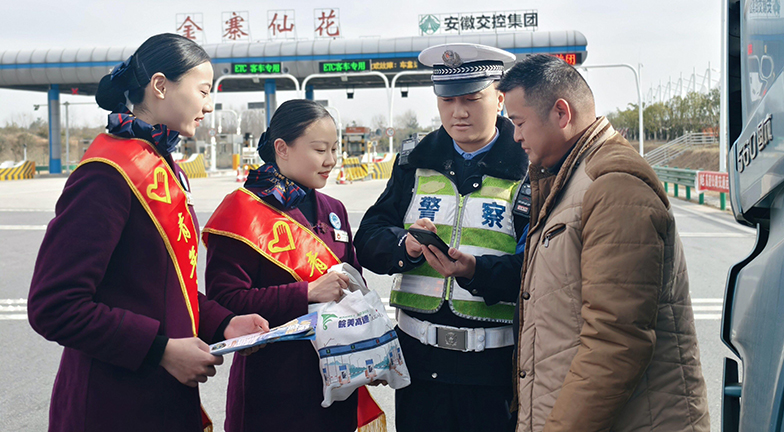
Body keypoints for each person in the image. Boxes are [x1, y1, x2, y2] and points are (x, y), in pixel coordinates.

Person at [27, 33, 269, 432]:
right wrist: (160, 350)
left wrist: (226, 323)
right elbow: (53, 305)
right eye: (204, 91)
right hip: (111, 406)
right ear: (160, 85)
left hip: (162, 401)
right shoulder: (107, 173)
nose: (209, 106)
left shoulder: (161, 163)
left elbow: (166, 285)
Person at [498, 54, 710, 432]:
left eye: (519, 122)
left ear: (561, 113)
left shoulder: (612, 186)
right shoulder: (568, 180)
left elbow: (616, 342)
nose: (515, 136)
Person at [354, 43, 530, 432]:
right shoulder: (414, 161)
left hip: (494, 369)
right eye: (447, 99)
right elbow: (368, 236)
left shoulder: (527, 166)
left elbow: (539, 269)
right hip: (418, 364)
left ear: (499, 98)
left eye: (472, 98)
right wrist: (406, 246)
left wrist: (475, 271)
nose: (458, 111)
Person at [203, 99, 361, 432]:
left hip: (337, 386)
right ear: (282, 148)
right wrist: (306, 293)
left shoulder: (335, 209)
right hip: (272, 392)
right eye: (320, 149)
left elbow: (354, 288)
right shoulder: (242, 212)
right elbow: (224, 302)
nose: (331, 160)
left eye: (335, 148)